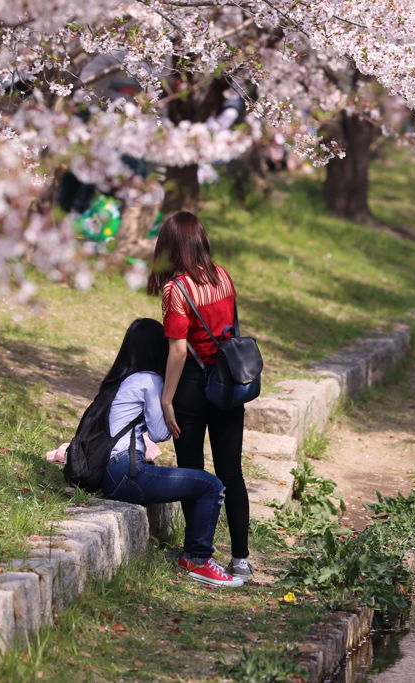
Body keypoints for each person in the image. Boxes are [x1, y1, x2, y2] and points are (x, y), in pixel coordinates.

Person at [50, 319, 240, 587]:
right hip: (126, 473)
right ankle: (198, 560)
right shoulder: (149, 381)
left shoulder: (121, 376)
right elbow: (162, 433)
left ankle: (194, 556)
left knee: (203, 483)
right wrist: (170, 403)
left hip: (108, 470)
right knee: (212, 485)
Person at [146, 211, 253, 583]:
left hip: (191, 387)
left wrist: (165, 400)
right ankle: (241, 559)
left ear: (170, 247)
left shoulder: (177, 289)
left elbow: (177, 351)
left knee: (192, 473)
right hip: (226, 385)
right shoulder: (223, 276)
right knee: (232, 473)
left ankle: (196, 554)